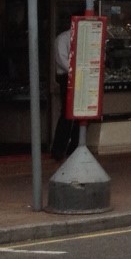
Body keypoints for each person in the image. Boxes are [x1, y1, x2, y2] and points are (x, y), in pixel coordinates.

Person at [50, 24, 78, 162]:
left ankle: (75, 146)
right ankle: (58, 149)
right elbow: (61, 59)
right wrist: (76, 69)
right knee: (67, 113)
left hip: (80, 74)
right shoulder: (63, 38)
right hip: (68, 76)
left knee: (82, 114)